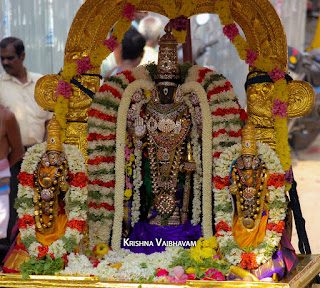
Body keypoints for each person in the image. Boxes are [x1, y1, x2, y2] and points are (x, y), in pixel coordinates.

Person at [0, 37, 52, 257]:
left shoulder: (41, 83)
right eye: (1, 59)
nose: (5, 62)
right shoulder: (0, 87)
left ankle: (37, 252)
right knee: (11, 209)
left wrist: (48, 150)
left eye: (10, 57)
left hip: (41, 155)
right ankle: (8, 255)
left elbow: (51, 119)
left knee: (40, 206)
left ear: (22, 56)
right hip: (12, 159)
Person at [0, 105, 24, 261]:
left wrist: (3, 168)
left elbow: (18, 150)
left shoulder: (6, 116)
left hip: (1, 176)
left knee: (2, 226)